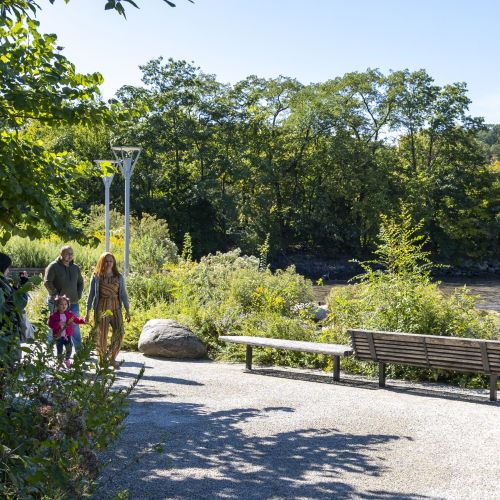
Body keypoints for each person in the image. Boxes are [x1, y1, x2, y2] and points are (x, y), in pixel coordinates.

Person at [85, 252, 130, 368]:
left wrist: (127, 310)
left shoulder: (118, 277)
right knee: (102, 335)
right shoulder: (96, 276)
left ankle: (112, 358)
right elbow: (91, 295)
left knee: (120, 332)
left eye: (111, 261)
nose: (109, 263)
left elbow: (124, 294)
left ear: (114, 262)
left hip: (116, 307)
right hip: (101, 307)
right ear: (102, 262)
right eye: (106, 261)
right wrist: (87, 312)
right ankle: (102, 360)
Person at [44, 246, 84, 351]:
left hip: (73, 303)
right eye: (67, 253)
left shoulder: (75, 267)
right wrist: (55, 294)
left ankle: (80, 351)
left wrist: (78, 294)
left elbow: (80, 282)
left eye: (71, 254)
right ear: (61, 254)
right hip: (58, 304)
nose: (70, 256)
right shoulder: (53, 266)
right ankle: (48, 350)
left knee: (75, 326)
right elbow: (47, 282)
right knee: (54, 326)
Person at [0, 252, 28, 361]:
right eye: (8, 268)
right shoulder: (2, 283)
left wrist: (15, 288)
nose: (9, 271)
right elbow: (18, 303)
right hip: (5, 332)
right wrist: (24, 286)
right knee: (7, 366)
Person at [48, 295, 86, 368]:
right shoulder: (54, 315)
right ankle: (59, 362)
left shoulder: (69, 314)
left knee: (69, 348)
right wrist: (58, 324)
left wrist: (83, 321)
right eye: (61, 304)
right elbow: (50, 325)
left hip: (67, 336)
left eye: (65, 304)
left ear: (68, 305)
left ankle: (67, 360)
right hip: (58, 336)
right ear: (57, 305)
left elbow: (76, 320)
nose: (64, 306)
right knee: (60, 349)